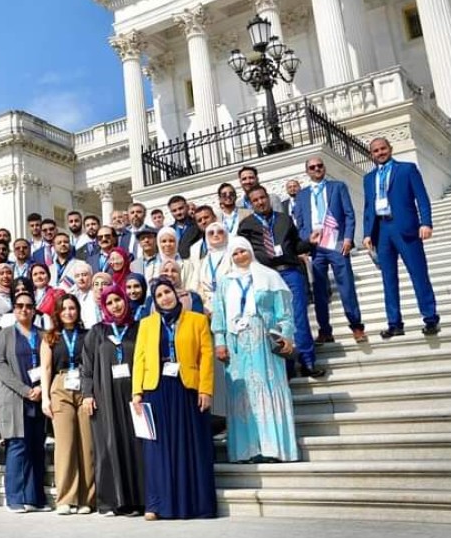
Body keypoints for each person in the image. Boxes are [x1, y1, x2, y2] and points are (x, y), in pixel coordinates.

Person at [131, 279, 216, 520]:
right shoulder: (146, 324)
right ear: (154, 301)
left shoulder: (197, 320)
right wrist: (136, 392)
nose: (164, 298)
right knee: (157, 449)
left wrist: (206, 390)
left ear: (176, 294)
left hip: (187, 388)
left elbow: (206, 357)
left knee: (190, 446)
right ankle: (156, 504)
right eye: (159, 295)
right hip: (156, 389)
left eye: (167, 292)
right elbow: (140, 359)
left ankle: (195, 505)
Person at [211, 238, 300, 464]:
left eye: (243, 251)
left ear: (251, 251)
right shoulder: (224, 282)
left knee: (267, 393)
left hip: (264, 342)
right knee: (242, 397)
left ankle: (273, 449)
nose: (240, 256)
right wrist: (219, 342)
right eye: (235, 253)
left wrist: (285, 335)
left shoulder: (269, 277)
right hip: (236, 345)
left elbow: (285, 312)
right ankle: (245, 451)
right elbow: (219, 315)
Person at [239, 185, 324, 379]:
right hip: (266, 277)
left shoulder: (284, 219)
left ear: (267, 197)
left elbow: (295, 246)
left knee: (299, 317)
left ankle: (307, 362)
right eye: (255, 200)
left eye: (262, 198)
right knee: (275, 321)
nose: (260, 202)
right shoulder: (246, 225)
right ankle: (286, 367)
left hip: (290, 272)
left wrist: (309, 241)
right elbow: (243, 251)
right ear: (251, 204)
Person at [362, 137, 440, 339]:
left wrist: (426, 223)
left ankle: (430, 318)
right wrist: (367, 233)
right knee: (388, 279)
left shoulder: (407, 169)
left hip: (404, 227)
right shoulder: (368, 178)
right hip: (381, 230)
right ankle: (394, 323)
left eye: (383, 148)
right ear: (371, 154)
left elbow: (422, 198)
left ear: (390, 148)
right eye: (376, 150)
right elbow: (368, 207)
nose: (380, 153)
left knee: (418, 273)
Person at [81, 284, 145, 516]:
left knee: (136, 445)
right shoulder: (97, 331)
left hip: (134, 396)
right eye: (109, 302)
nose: (115, 305)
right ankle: (110, 502)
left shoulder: (138, 329)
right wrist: (87, 394)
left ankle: (139, 501)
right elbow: (86, 367)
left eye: (118, 300)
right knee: (108, 446)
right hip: (105, 397)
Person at [292, 155, 366, 343]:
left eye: (319, 166)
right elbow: (299, 224)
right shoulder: (302, 195)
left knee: (346, 286)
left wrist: (348, 238)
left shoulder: (338, 187)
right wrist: (306, 240)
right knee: (319, 290)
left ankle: (356, 326)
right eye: (312, 167)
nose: (317, 169)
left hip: (336, 243)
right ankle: (325, 330)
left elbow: (349, 214)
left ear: (324, 168)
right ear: (307, 172)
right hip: (316, 247)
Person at [0, 291, 49, 513]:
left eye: (28, 306)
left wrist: (41, 389)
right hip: (14, 398)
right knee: (17, 446)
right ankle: (15, 498)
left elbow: (49, 365)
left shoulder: (44, 335)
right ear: (14, 310)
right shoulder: (4, 335)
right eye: (19, 306)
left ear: (34, 310)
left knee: (36, 447)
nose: (24, 309)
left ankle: (35, 498)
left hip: (38, 398)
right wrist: (26, 390)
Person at [40, 294, 95, 515]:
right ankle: (66, 498)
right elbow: (45, 368)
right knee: (65, 445)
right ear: (58, 313)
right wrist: (45, 398)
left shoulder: (88, 335)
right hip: (61, 385)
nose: (68, 312)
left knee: (86, 445)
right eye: (64, 309)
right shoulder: (50, 337)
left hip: (84, 385)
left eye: (72, 308)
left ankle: (87, 499)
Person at [29, 262, 62, 328]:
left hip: (50, 330)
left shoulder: (58, 293)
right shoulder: (29, 295)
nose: (39, 276)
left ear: (49, 276)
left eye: (42, 273)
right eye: (35, 274)